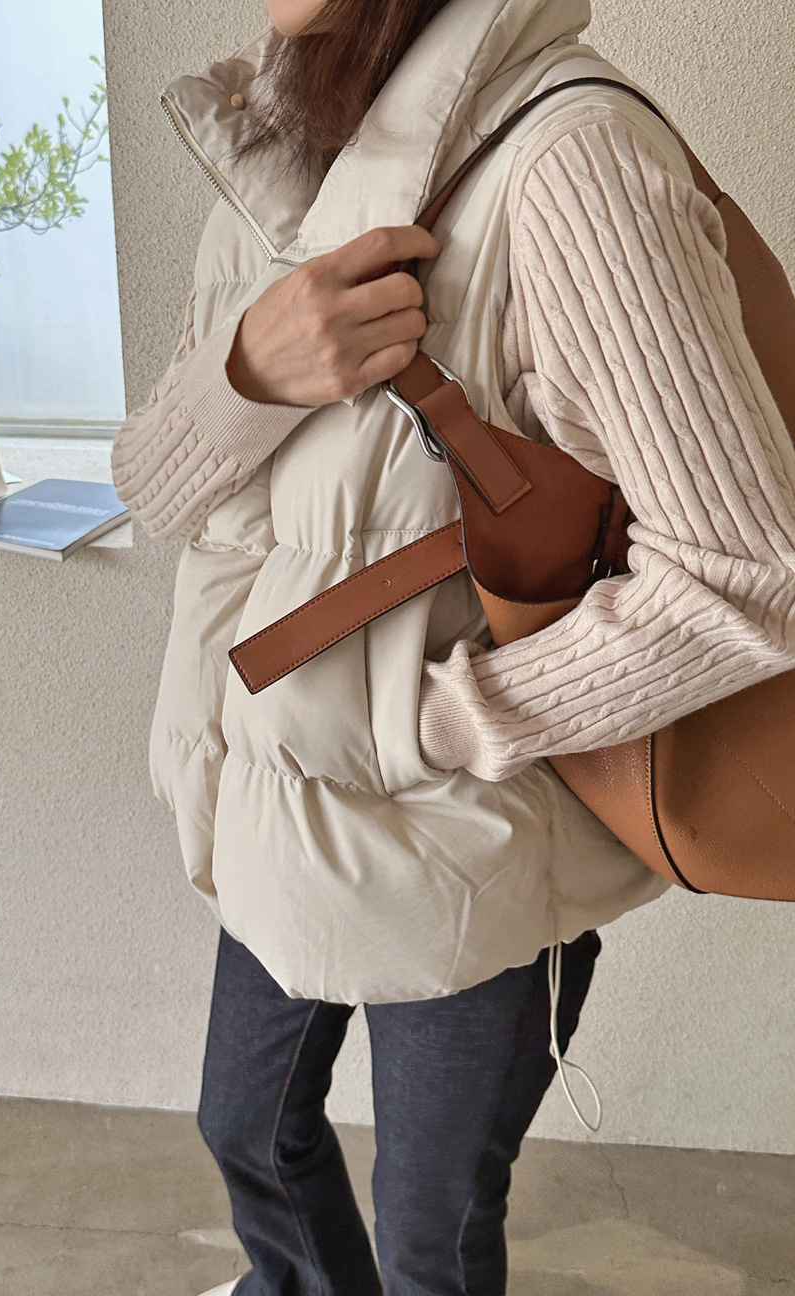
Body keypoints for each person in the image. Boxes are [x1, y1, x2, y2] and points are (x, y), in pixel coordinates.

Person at [111, 0, 795, 1292]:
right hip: (269, 801)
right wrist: (248, 371)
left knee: (432, 1241)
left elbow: (749, 573)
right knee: (248, 1133)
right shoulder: (279, 152)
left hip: (468, 833)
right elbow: (154, 491)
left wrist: (443, 722)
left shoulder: (573, 162)